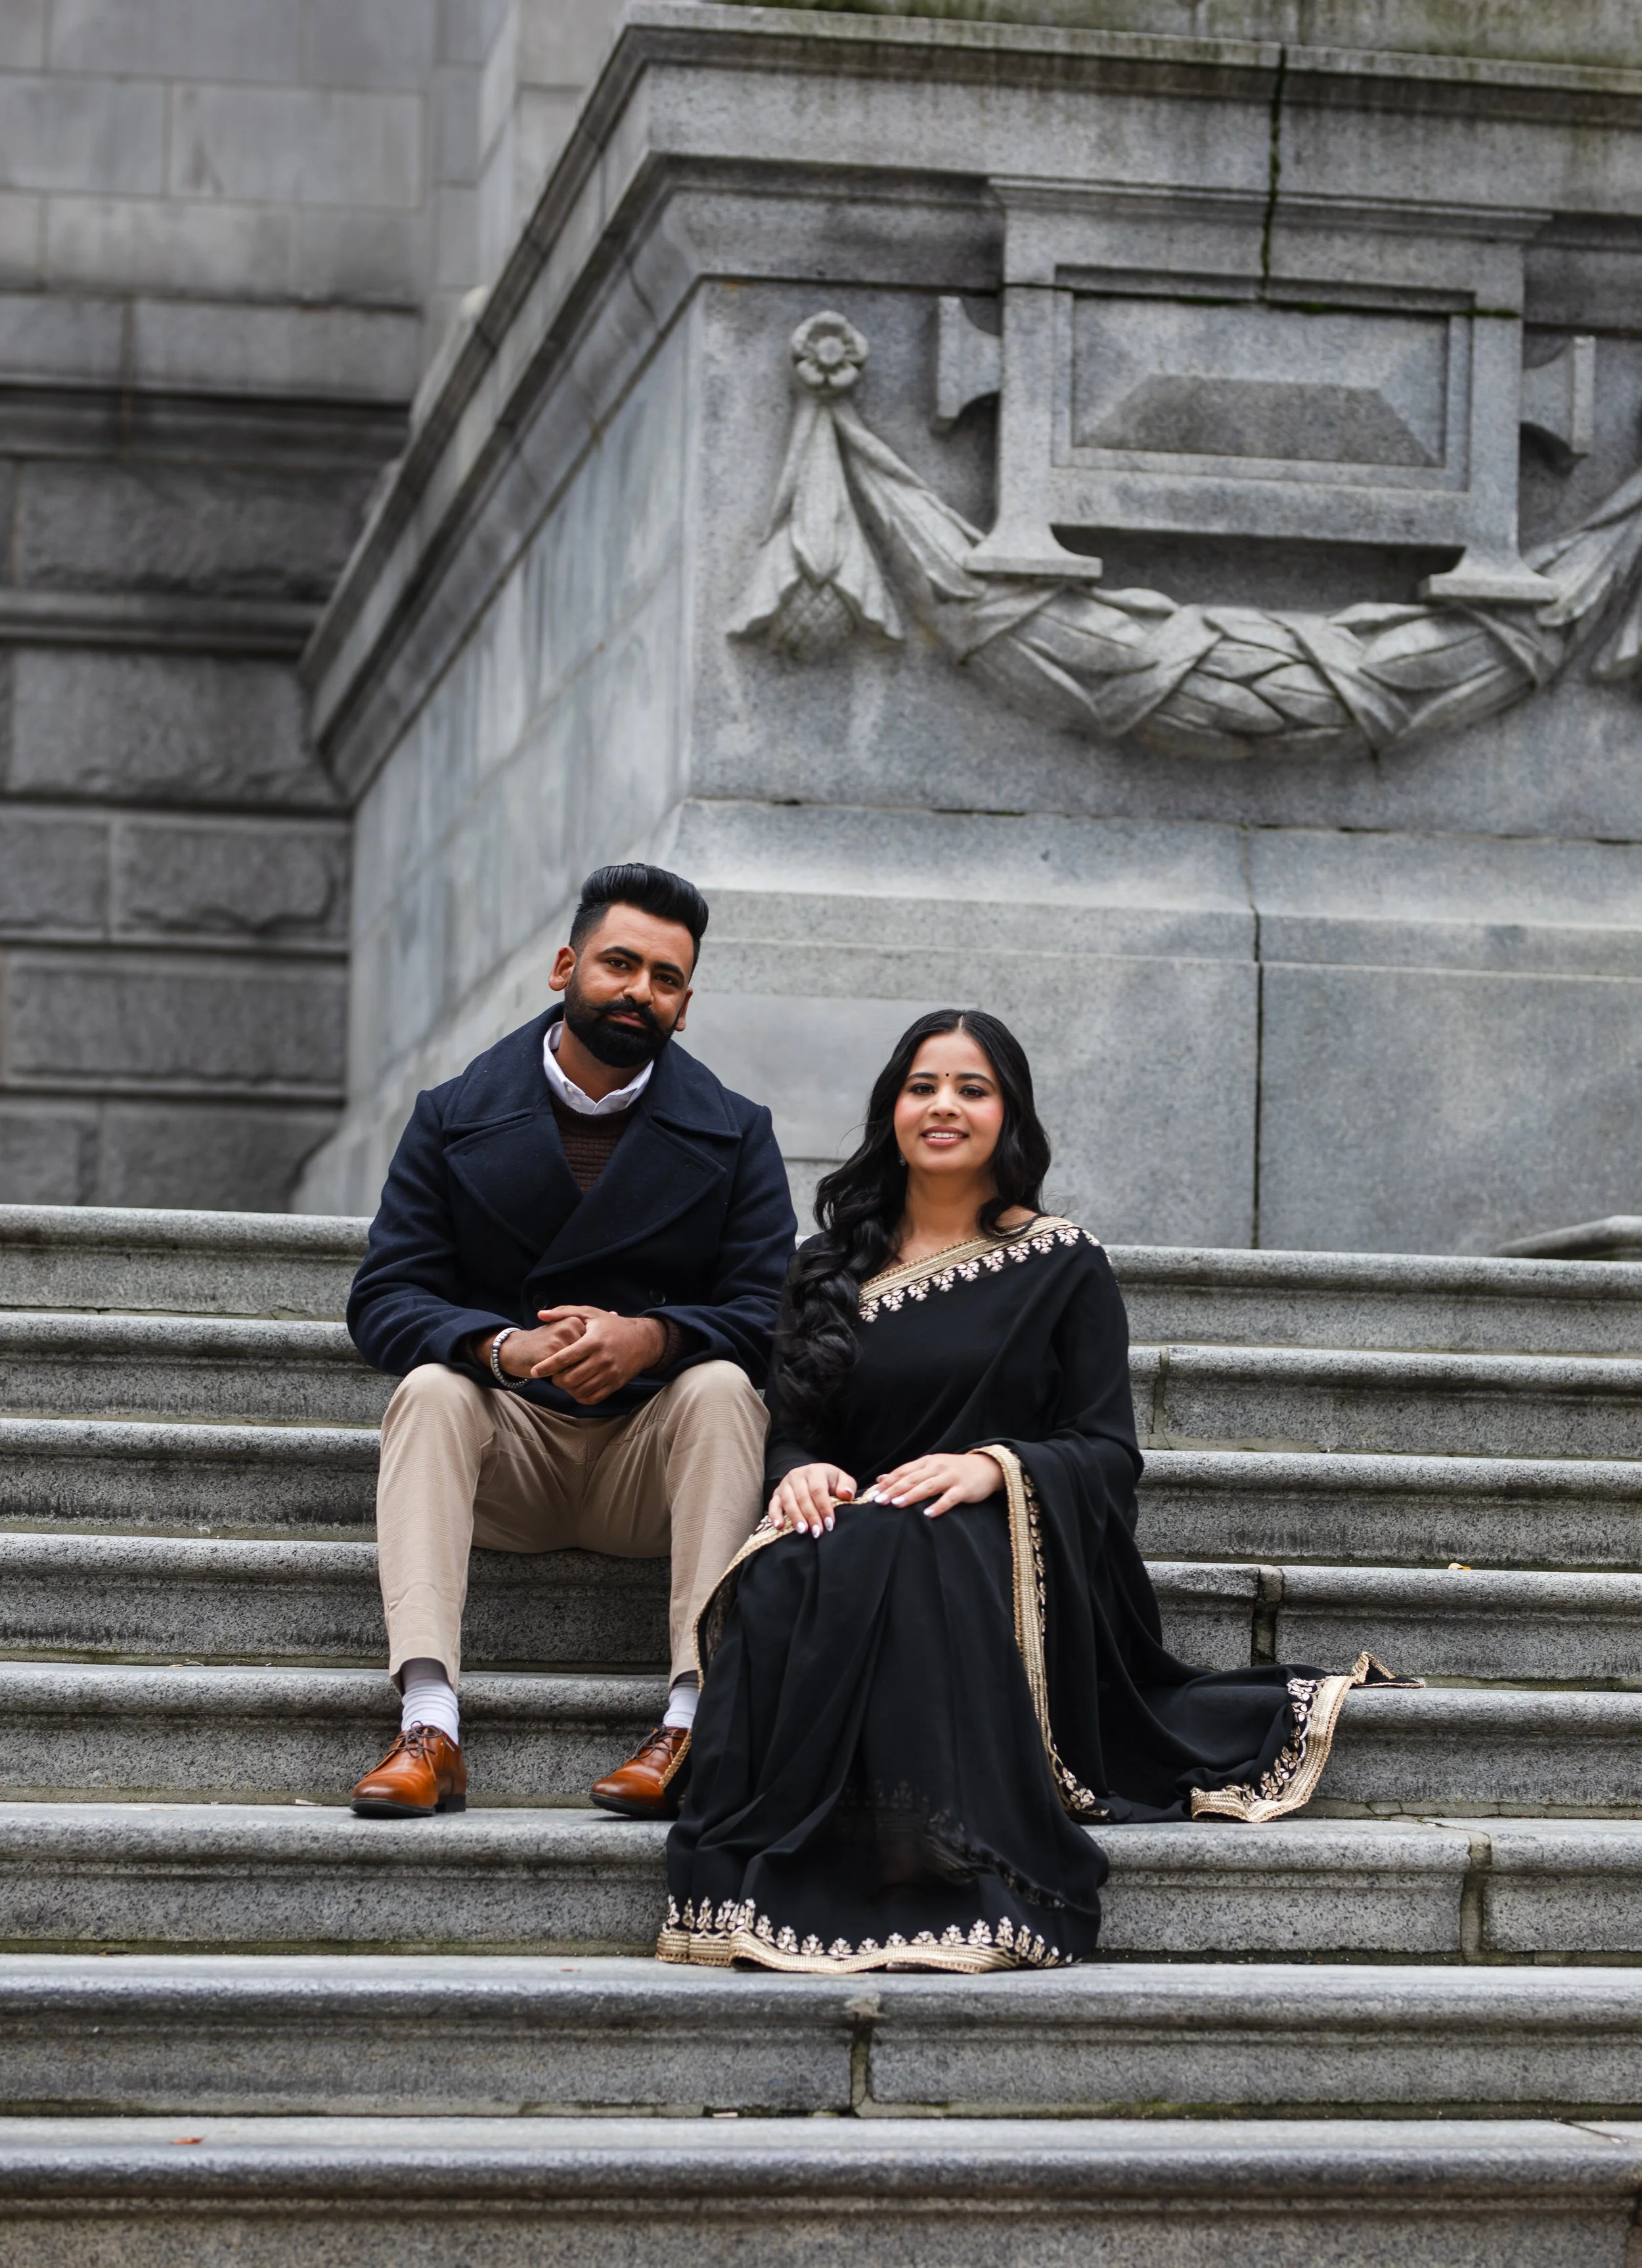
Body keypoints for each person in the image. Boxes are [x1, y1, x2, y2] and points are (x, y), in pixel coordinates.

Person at [661, 1008, 1400, 1973]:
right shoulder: (828, 1266)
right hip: (853, 1521)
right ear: (892, 1108)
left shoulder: (1065, 1266)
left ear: (1008, 1116)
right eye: (924, 1086)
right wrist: (799, 1469)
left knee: (909, 1544)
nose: (944, 1106)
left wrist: (994, 1467)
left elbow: (1106, 1451)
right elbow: (797, 1422)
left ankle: (948, 1838)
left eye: (972, 1088)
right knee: (799, 1567)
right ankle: (835, 1832)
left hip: (1010, 1538)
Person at [345, 861, 797, 1821]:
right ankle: (429, 1725)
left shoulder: (736, 1133)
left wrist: (653, 1336)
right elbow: (383, 1297)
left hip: (651, 1466)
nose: (640, 991)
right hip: (512, 1455)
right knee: (429, 1389)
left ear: (685, 1005)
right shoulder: (451, 1115)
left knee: (723, 1387)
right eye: (620, 963)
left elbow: (771, 1317)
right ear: (565, 966)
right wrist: (499, 1349)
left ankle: (692, 1716)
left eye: (666, 979)